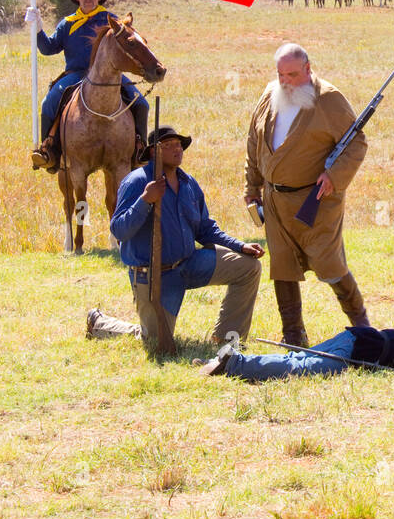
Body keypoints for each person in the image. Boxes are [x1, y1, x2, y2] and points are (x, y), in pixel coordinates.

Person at [89, 126, 264, 351]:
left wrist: (239, 245)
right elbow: (119, 230)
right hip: (154, 276)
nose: (177, 149)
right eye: (169, 145)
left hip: (189, 263)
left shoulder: (189, 183)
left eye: (179, 144)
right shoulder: (136, 182)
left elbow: (205, 228)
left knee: (248, 267)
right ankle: (100, 323)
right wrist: (145, 200)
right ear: (153, 152)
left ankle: (226, 339)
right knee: (154, 342)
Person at [245, 43, 369, 347]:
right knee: (283, 268)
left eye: (292, 74)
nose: (285, 81)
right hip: (275, 202)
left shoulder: (329, 100)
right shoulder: (269, 95)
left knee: (329, 264)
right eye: (280, 74)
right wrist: (251, 189)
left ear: (308, 69)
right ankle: (294, 336)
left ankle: (363, 328)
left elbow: (356, 143)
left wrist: (334, 176)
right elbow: (254, 144)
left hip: (317, 201)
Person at [24, 0, 149, 172]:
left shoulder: (111, 21)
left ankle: (140, 148)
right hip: (75, 74)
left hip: (108, 75)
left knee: (141, 103)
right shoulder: (68, 23)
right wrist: (37, 28)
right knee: (49, 103)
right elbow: (49, 48)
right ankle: (49, 150)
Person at [196, 324, 394, 381]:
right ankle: (235, 363)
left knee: (295, 358)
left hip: (354, 334)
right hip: (360, 349)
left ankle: (215, 359)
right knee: (304, 368)